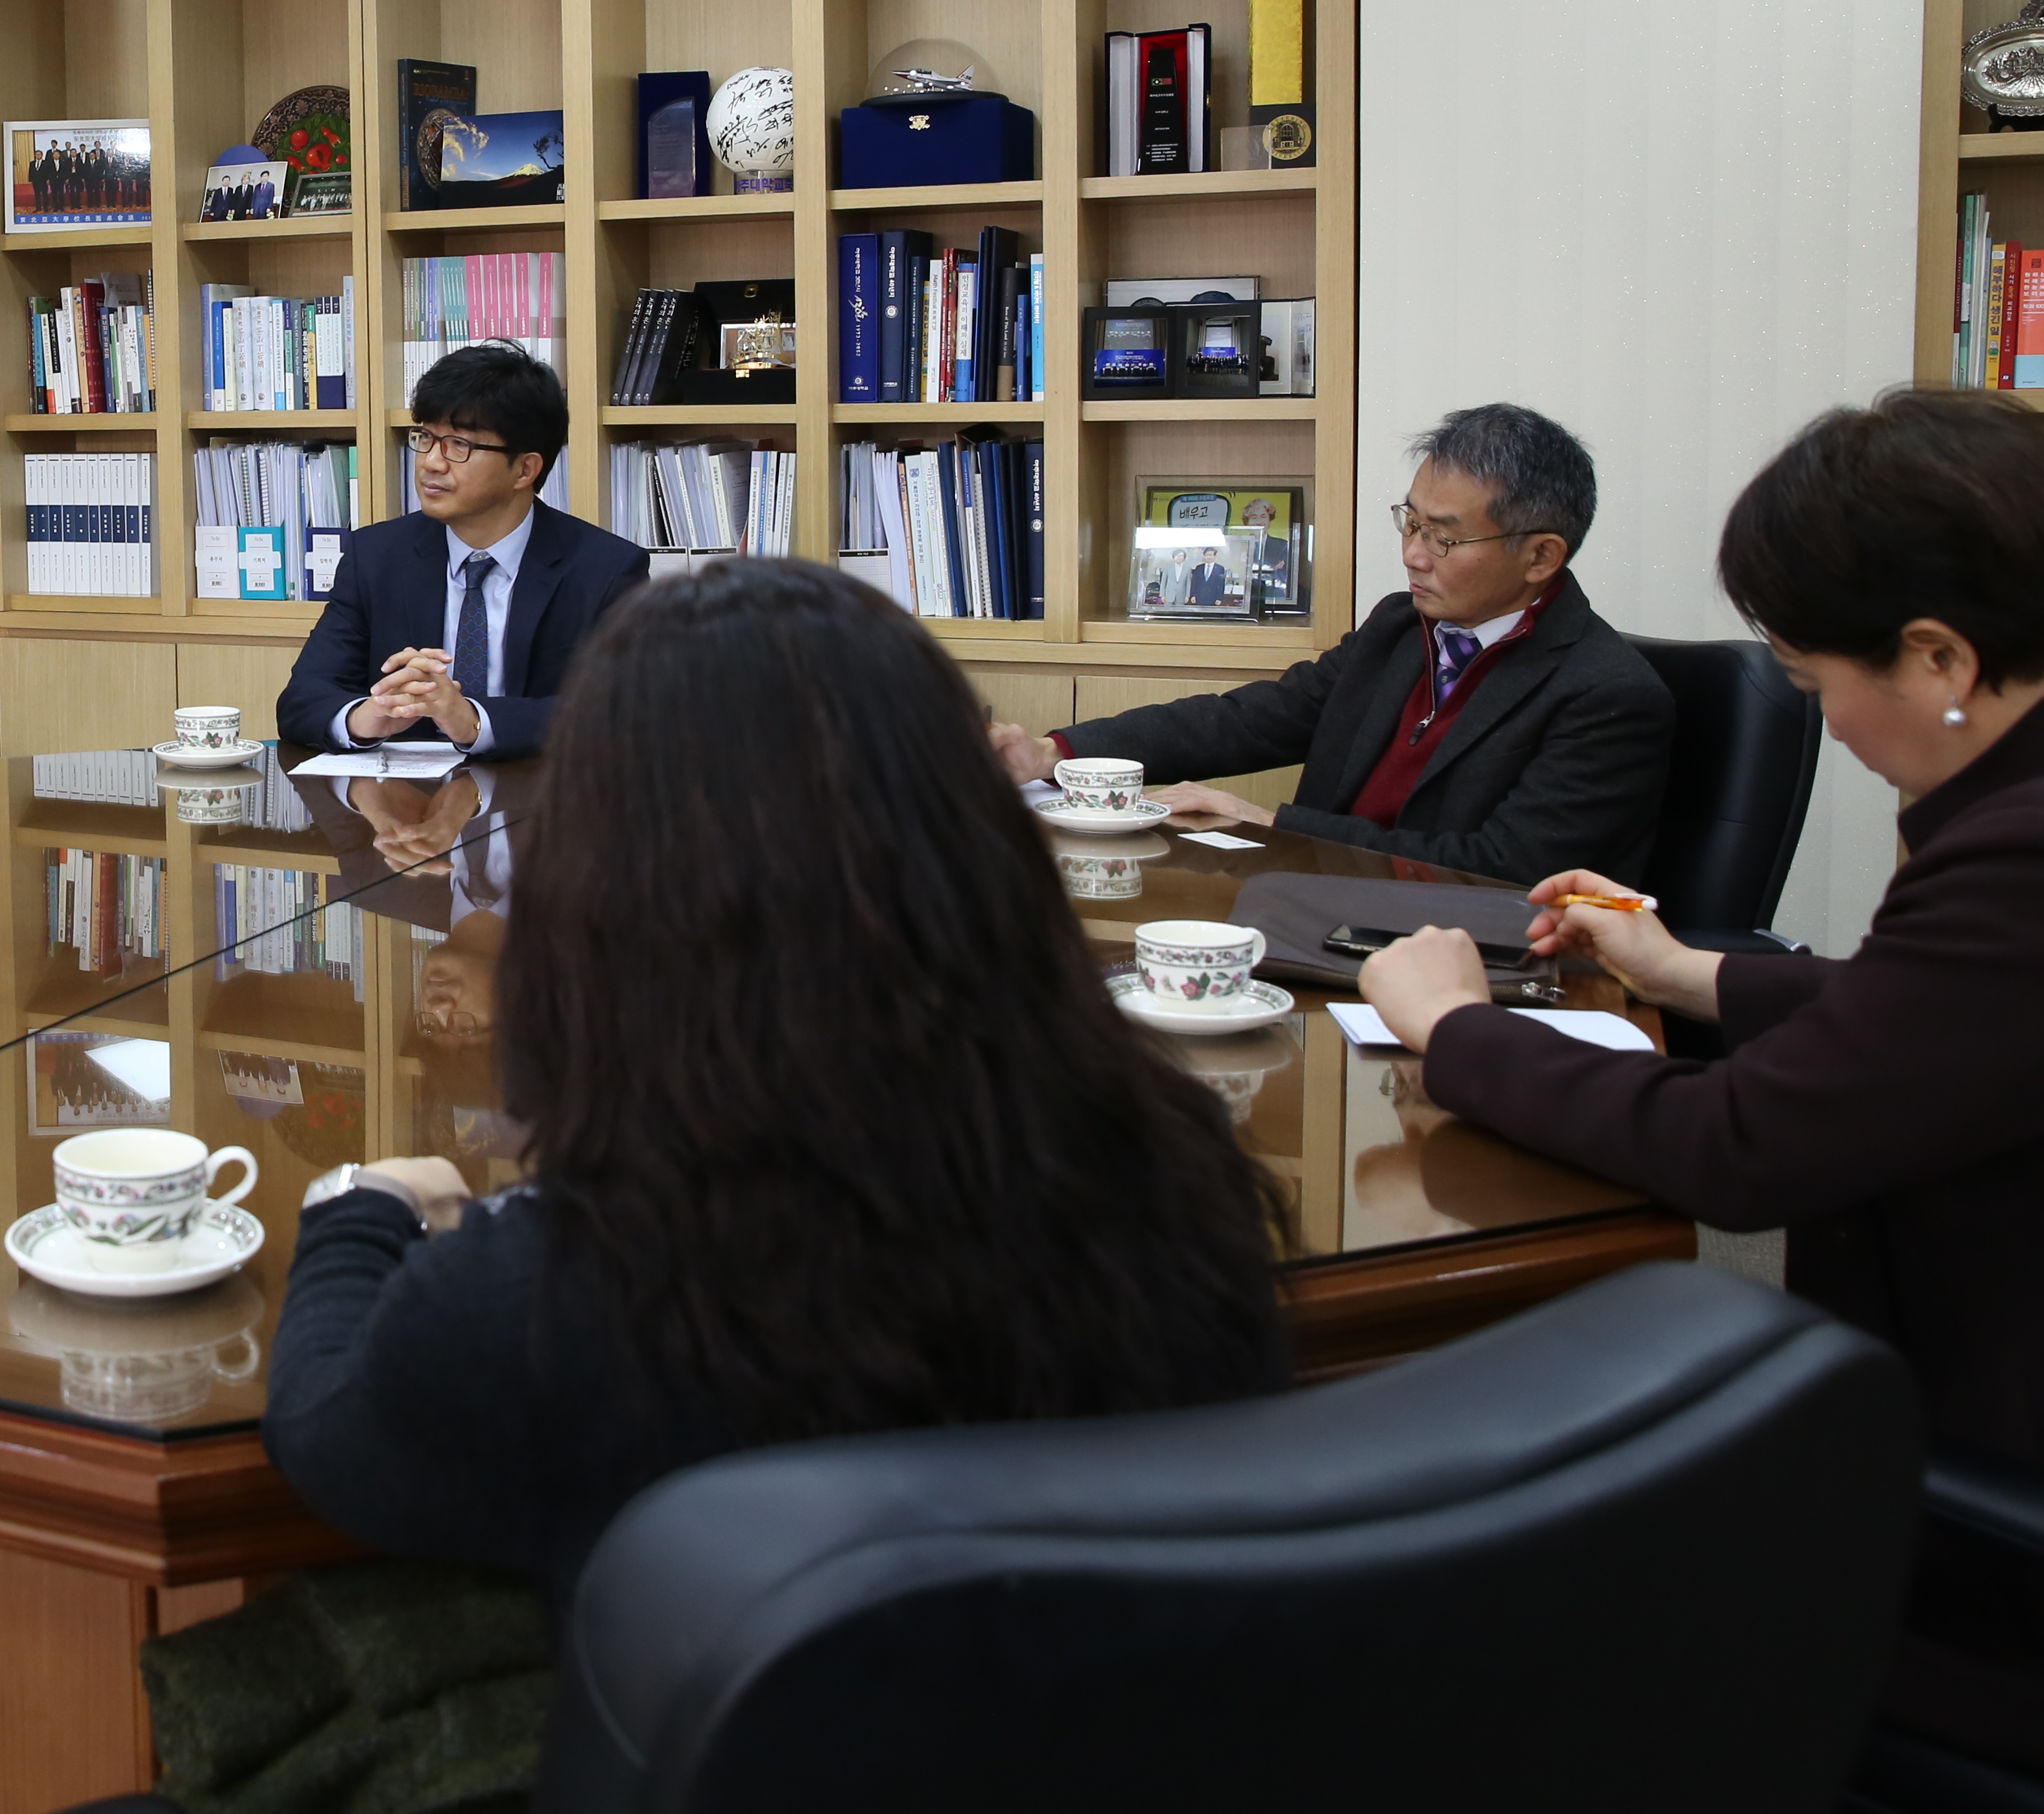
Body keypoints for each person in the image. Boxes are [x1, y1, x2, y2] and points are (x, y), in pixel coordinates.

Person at [267, 559, 1290, 1623]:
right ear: (975, 843)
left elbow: (330, 1438)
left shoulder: (557, 1281)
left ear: (603, 888)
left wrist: (359, 1207)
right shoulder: (1174, 1172)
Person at [1361, 387, 2044, 1770]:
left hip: (1984, 1536)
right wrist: (1690, 976)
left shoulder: (2017, 854)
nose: (1830, 727)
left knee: (1506, 1566)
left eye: (1813, 684)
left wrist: (1457, 1029)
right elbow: (1949, 1020)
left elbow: (1740, 1148)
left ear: (1937, 655)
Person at [990, 404, 1671, 882]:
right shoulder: (1402, 629)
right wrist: (1059, 754)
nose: (1413, 555)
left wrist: (1271, 823)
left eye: (1443, 537)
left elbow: (1506, 871)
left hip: (1467, 965)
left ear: (1542, 557)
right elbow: (1249, 721)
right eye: (1409, 522)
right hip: (1319, 914)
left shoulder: (1608, 696)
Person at [274, 344, 647, 759]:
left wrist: (473, 721)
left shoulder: (606, 570)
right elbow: (301, 701)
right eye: (426, 438)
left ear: (525, 469)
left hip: (539, 808)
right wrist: (369, 715)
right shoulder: (375, 556)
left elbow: (619, 715)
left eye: (458, 445)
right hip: (402, 811)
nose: (432, 463)